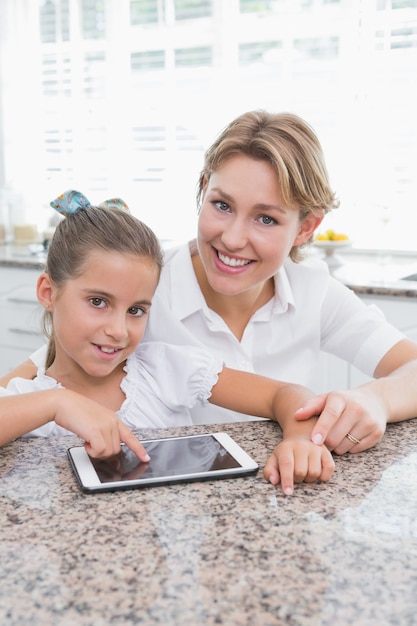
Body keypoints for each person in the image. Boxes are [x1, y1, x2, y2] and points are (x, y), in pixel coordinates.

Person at [5, 111, 417, 482]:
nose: (233, 238)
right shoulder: (142, 285)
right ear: (203, 190)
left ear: (307, 228)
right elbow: (48, 370)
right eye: (221, 205)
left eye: (266, 218)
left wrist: (374, 400)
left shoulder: (316, 292)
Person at [0, 191, 335, 495]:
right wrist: (57, 403)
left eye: (135, 310)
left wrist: (301, 439)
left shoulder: (166, 369)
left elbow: (285, 395)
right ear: (48, 293)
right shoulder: (28, 400)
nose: (119, 330)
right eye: (98, 302)